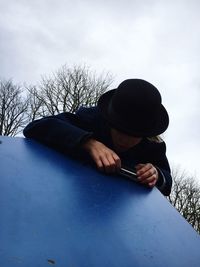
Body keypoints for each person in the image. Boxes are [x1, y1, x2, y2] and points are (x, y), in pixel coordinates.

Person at [23, 79, 172, 196]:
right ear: (110, 120)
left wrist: (156, 174)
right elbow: (35, 127)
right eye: (120, 130)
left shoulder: (153, 148)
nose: (124, 141)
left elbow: (167, 183)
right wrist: (88, 142)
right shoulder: (91, 119)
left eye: (134, 135)